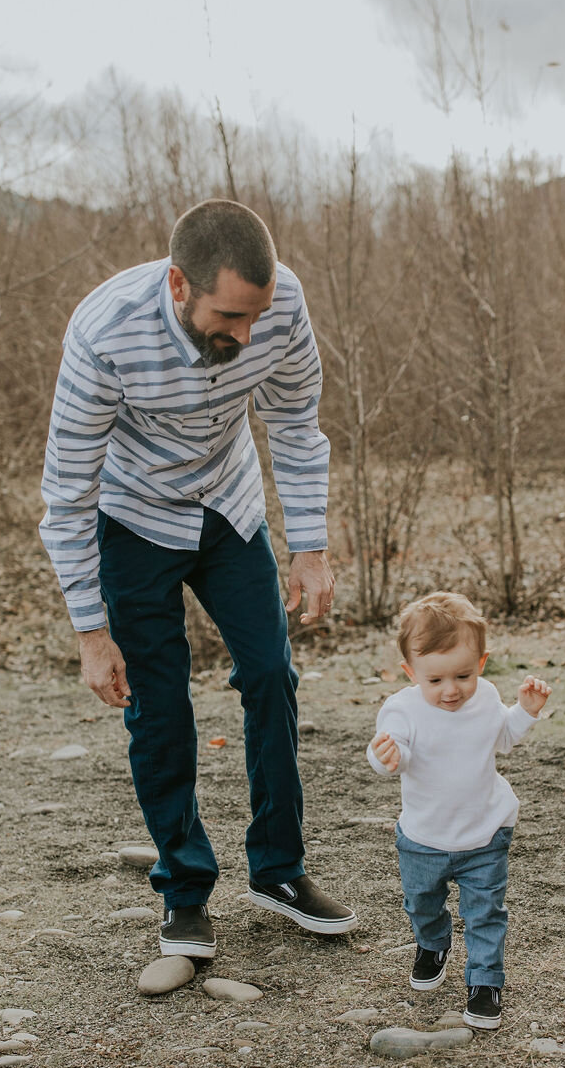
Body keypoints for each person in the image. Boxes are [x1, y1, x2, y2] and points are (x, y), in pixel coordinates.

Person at [40, 198, 357, 961]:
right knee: (158, 703)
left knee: (271, 672)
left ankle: (278, 870)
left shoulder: (281, 304)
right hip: (133, 519)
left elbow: (294, 421)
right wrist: (91, 632)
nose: (246, 335)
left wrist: (308, 546)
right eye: (230, 317)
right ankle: (184, 891)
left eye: (257, 315)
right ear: (179, 285)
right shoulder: (104, 331)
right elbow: (68, 492)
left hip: (229, 505)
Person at [366, 592, 551, 1030]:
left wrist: (524, 712)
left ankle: (485, 982)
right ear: (411, 673)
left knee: (486, 911)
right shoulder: (403, 709)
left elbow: (502, 737)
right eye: (436, 681)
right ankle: (433, 944)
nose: (451, 690)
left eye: (463, 675)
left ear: (481, 664)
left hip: (485, 833)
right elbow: (391, 752)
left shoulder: (485, 697)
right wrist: (384, 757)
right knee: (422, 903)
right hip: (423, 838)